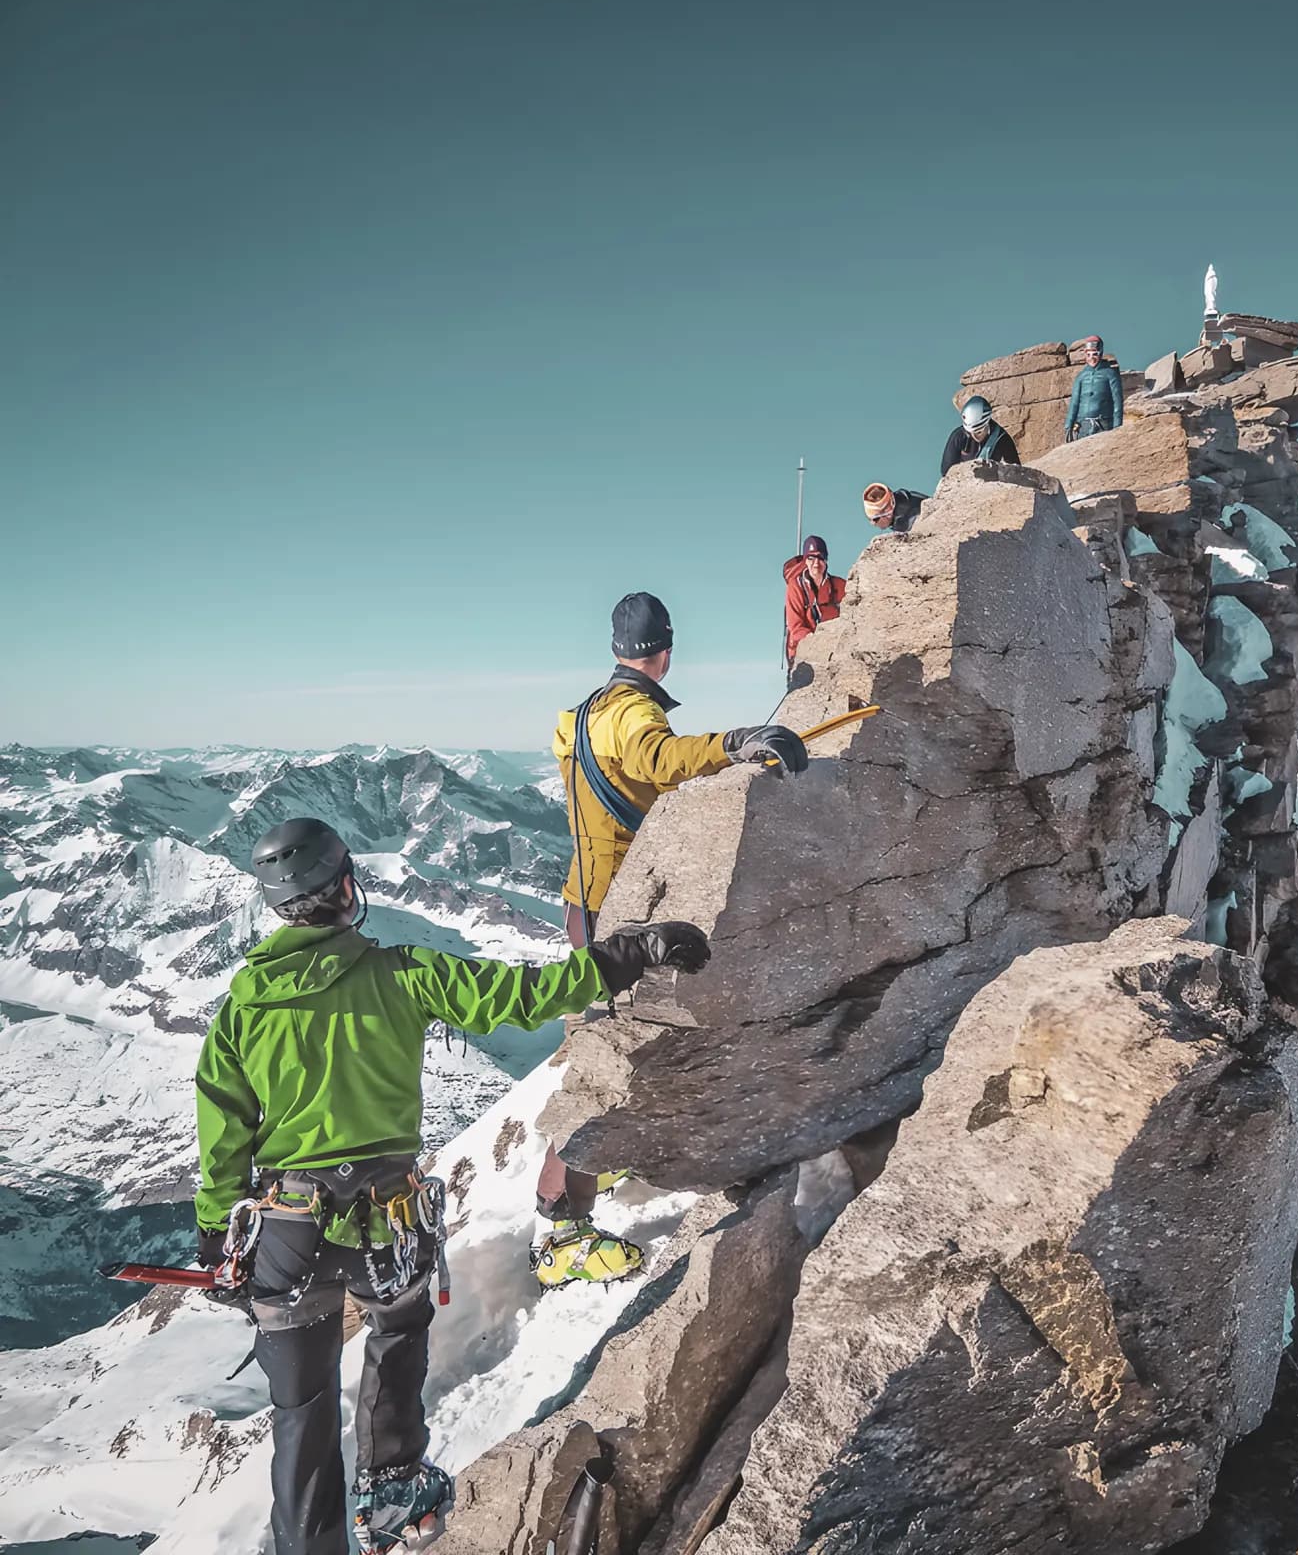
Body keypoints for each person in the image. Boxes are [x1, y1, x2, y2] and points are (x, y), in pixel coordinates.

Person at [195, 816, 711, 1555]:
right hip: (385, 1223)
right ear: (347, 887)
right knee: (397, 1329)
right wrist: (630, 952)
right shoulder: (405, 973)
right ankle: (393, 1484)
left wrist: (218, 1230)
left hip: (286, 1232)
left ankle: (310, 1544)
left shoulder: (244, 1006)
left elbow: (223, 1127)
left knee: (299, 1407)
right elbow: (525, 997)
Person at [538, 590, 807, 1285]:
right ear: (665, 651)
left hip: (585, 899)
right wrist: (732, 744)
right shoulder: (632, 713)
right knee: (598, 1071)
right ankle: (560, 1229)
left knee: (604, 1052)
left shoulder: (588, 710)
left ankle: (587, 1176)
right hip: (615, 909)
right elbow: (659, 759)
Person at [784, 534, 846, 666]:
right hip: (802, 651)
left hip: (834, 650)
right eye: (811, 558)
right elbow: (795, 627)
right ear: (805, 561)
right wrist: (818, 642)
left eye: (820, 558)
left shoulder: (840, 585)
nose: (816, 564)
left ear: (826, 560)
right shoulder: (795, 587)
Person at [939, 395, 1020, 476]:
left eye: (979, 432)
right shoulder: (959, 437)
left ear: (987, 423)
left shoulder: (1002, 439)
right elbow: (946, 471)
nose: (974, 436)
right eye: (971, 432)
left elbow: (1016, 470)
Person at [1064, 334, 1123, 440]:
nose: (1092, 358)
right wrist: (1069, 424)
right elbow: (1074, 402)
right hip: (1083, 426)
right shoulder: (1081, 376)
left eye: (1094, 354)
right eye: (1089, 354)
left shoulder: (1110, 374)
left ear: (1100, 353)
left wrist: (1117, 426)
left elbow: (1117, 401)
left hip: (1104, 424)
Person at [862, 480, 928, 535]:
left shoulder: (908, 523)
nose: (872, 524)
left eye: (875, 519)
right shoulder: (907, 499)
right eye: (869, 519)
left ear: (888, 513)